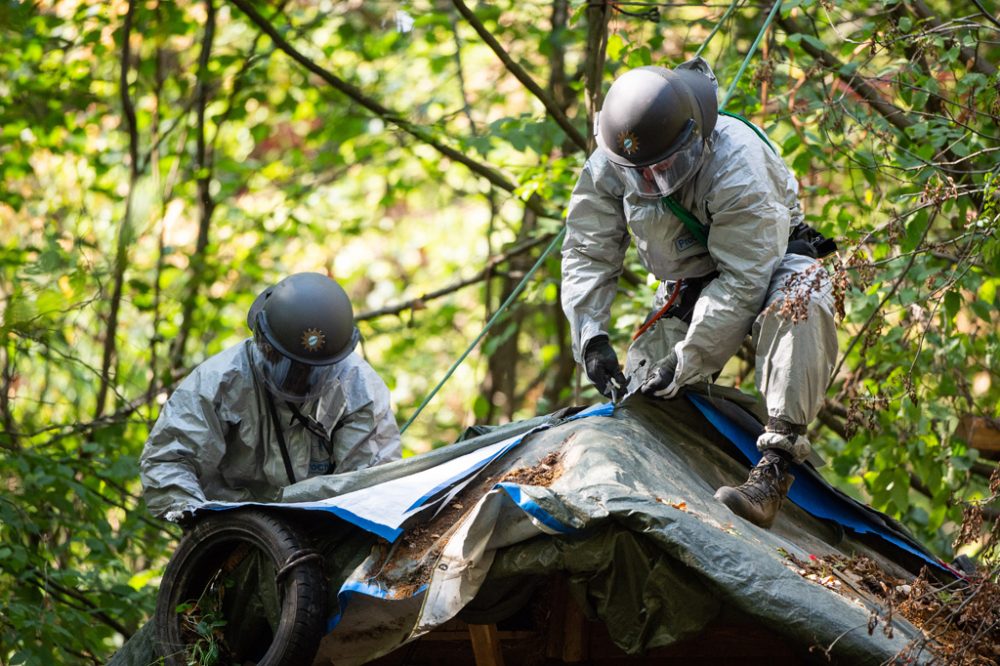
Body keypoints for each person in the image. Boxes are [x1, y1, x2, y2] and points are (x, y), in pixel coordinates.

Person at [560, 57, 838, 529]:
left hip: (767, 262)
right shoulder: (614, 161)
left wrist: (688, 358)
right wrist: (591, 337)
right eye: (639, 172)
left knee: (802, 305)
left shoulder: (738, 166)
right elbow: (588, 248)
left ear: (694, 140)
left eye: (663, 168)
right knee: (645, 391)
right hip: (688, 281)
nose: (651, 182)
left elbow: (744, 281)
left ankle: (773, 471)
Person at [140, 272, 401, 523]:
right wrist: (195, 517)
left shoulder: (358, 390)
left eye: (311, 371)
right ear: (263, 344)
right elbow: (168, 460)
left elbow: (370, 485)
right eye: (287, 364)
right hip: (232, 531)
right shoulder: (218, 384)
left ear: (336, 362)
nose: (298, 380)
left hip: (327, 530)